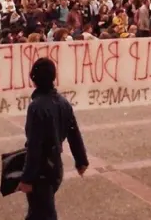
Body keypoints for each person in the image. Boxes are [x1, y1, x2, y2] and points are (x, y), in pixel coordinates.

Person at [17, 58, 89, 220]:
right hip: (56, 168)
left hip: (41, 172)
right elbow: (74, 133)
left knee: (44, 213)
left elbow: (35, 145)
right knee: (37, 211)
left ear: (34, 80)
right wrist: (81, 160)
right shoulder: (63, 103)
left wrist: (27, 178)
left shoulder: (36, 107)